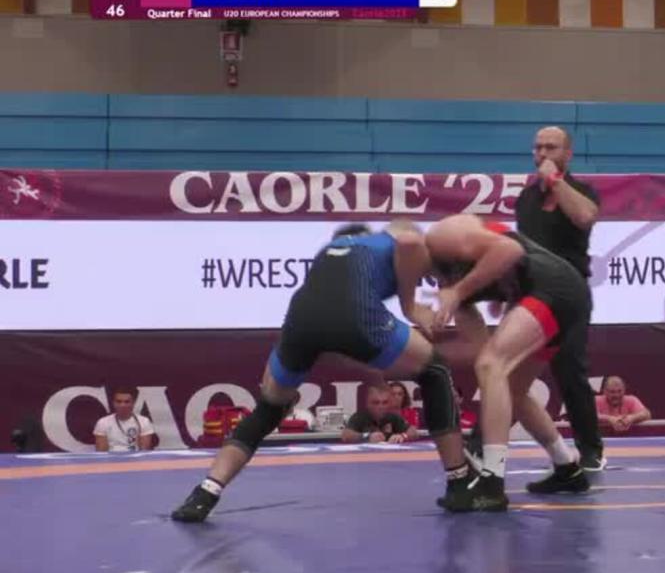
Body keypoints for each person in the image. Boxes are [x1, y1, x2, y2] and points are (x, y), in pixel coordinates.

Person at [170, 221, 473, 522]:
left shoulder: (331, 251)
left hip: (303, 317)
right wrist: (410, 308)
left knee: (268, 409)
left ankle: (206, 492)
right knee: (434, 370)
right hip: (354, 313)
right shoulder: (388, 241)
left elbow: (335, 334)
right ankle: (459, 482)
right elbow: (410, 242)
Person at [424, 213, 593, 511]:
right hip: (551, 296)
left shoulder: (443, 237)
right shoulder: (448, 288)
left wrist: (459, 292)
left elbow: (509, 249)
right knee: (510, 388)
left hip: (554, 287)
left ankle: (492, 482)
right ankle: (567, 467)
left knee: (492, 366)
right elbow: (483, 353)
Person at [513, 125, 606, 471]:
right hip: (532, 294)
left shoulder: (582, 191)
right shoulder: (526, 198)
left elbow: (584, 217)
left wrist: (555, 180)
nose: (542, 154)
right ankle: (484, 446)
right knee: (507, 371)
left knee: (570, 371)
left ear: (568, 154)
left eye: (551, 147)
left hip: (569, 296)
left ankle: (591, 449)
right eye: (537, 147)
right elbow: (522, 249)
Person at [93, 387, 157, 452]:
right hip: (111, 457)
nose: (122, 405)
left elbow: (144, 451)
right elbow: (102, 452)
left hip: (135, 457)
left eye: (127, 402)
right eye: (119, 401)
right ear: (113, 403)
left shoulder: (144, 421)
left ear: (133, 403)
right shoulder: (102, 422)